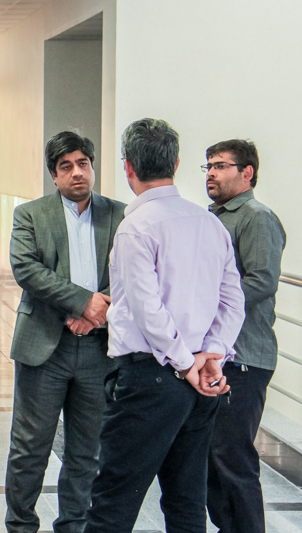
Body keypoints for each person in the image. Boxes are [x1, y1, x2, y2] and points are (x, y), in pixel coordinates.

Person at [84, 118, 245, 533]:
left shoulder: (136, 227)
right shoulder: (209, 223)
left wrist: (186, 363)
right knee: (186, 500)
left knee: (113, 501)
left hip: (150, 378)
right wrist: (212, 355)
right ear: (175, 163)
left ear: (128, 167)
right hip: (200, 382)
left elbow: (146, 309)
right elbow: (233, 301)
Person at [5, 131, 125, 533]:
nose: (77, 173)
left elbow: (134, 273)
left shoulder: (120, 215)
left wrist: (96, 312)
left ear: (92, 167)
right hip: (44, 347)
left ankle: (73, 525)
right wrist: (82, 303)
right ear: (54, 175)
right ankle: (21, 525)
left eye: (83, 164)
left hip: (99, 350)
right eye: (66, 166)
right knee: (30, 448)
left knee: (87, 450)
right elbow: (27, 269)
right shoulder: (30, 214)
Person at [204, 139, 285, 533]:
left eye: (220, 165)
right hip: (219, 355)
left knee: (232, 457)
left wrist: (207, 305)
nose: (211, 173)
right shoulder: (214, 218)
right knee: (212, 457)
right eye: (208, 166)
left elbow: (262, 281)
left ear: (247, 172)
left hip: (245, 357)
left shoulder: (256, 217)